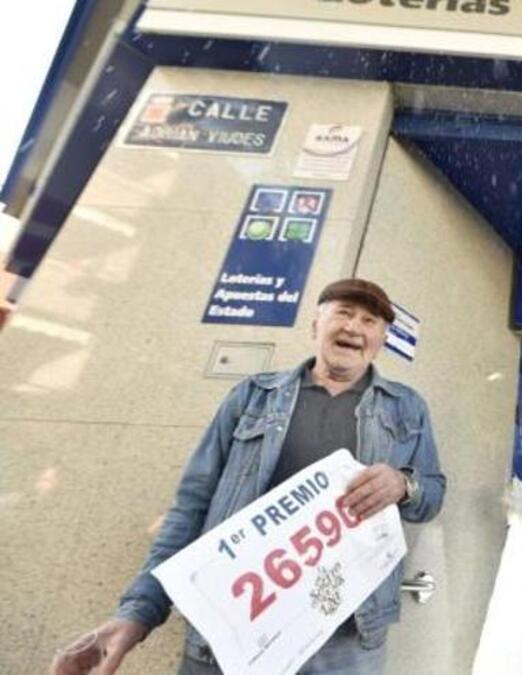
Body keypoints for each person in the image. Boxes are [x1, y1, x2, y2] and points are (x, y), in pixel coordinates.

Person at [51, 278, 447, 675]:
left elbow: (432, 495)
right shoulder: (253, 396)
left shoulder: (407, 408)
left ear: (380, 339)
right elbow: (192, 507)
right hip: (232, 632)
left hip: (346, 640)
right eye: (342, 313)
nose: (354, 327)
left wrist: (404, 484)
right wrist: (139, 613)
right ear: (315, 325)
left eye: (370, 320)